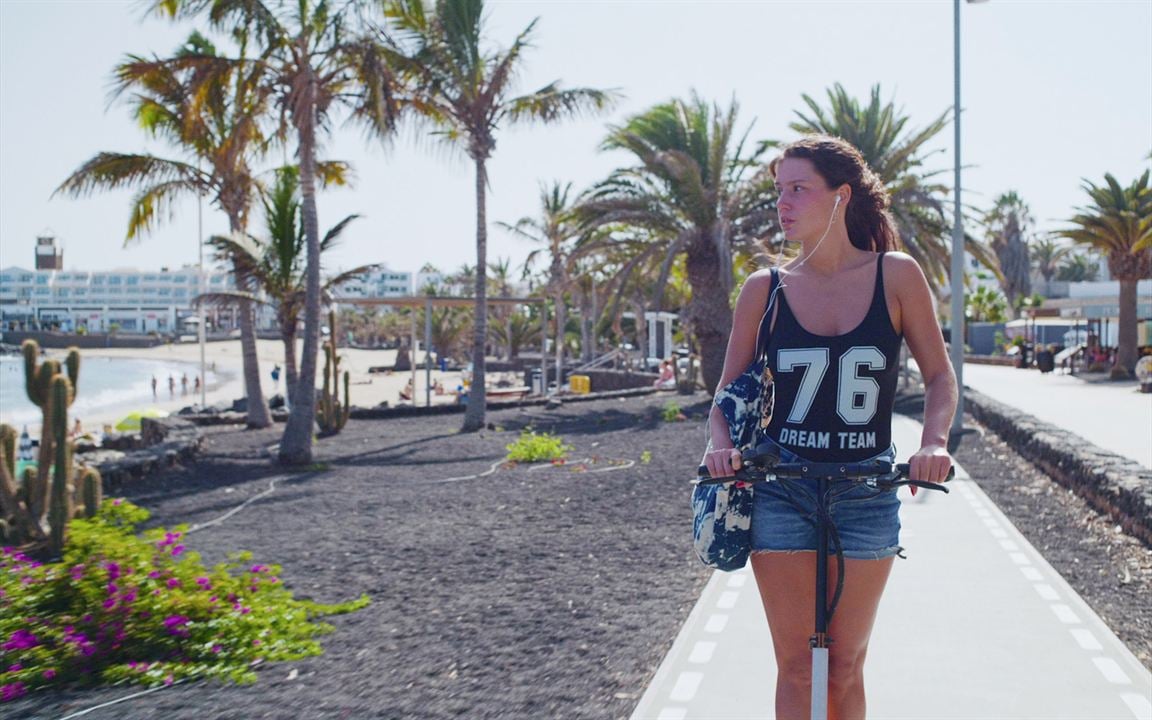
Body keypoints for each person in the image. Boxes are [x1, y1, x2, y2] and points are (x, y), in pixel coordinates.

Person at [702, 135, 957, 720]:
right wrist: (721, 448)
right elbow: (726, 394)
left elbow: (940, 377)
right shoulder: (763, 290)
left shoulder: (896, 276)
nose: (783, 203)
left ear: (840, 197)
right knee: (797, 666)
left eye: (798, 189)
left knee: (843, 666)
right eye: (778, 191)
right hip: (781, 489)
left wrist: (933, 443)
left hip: (867, 492)